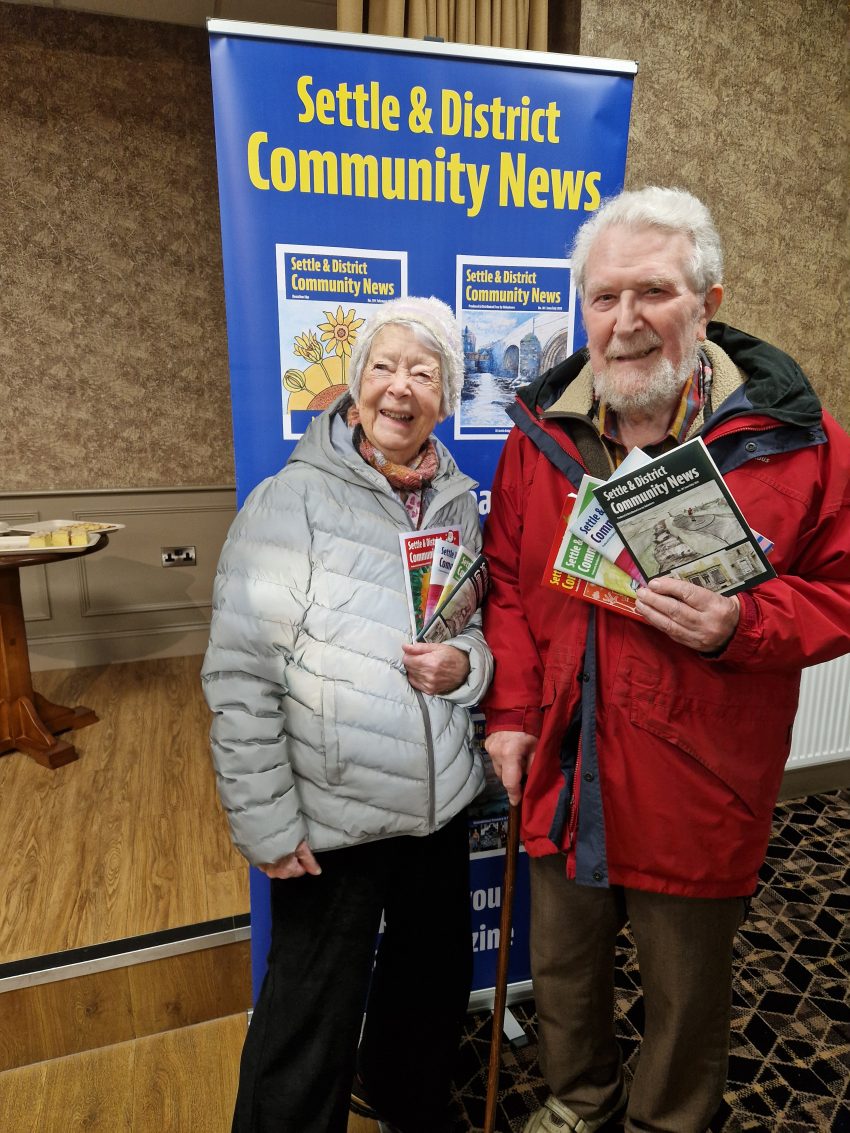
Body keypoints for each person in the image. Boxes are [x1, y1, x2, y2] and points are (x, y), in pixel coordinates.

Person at [481, 187, 850, 1133]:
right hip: (564, 757)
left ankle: (668, 1123)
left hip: (699, 769)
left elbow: (842, 591)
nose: (626, 320)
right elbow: (509, 588)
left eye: (654, 292)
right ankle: (580, 1100)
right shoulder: (539, 435)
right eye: (604, 297)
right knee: (562, 967)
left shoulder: (796, 441)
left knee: (687, 987)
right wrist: (512, 714)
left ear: (708, 304)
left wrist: (743, 623)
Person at [202, 295, 493, 1133]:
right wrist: (265, 820)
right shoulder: (291, 500)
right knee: (308, 1019)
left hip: (439, 805)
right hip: (336, 810)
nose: (401, 387)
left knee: (428, 991)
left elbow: (472, 624)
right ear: (355, 387)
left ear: (446, 397)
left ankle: (403, 1099)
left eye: (424, 373)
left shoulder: (457, 500)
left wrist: (467, 665)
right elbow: (240, 672)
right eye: (384, 366)